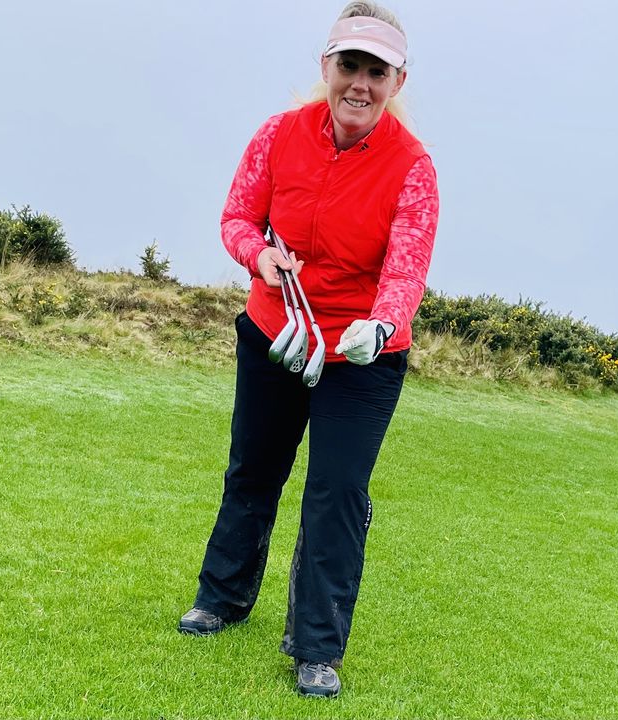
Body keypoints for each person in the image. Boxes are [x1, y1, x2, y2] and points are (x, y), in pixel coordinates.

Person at [179, 1, 438, 699]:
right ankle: (222, 598)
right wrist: (259, 256)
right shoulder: (278, 134)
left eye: (375, 71)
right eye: (348, 65)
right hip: (276, 329)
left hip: (362, 355)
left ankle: (316, 647)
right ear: (327, 67)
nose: (360, 82)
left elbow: (407, 269)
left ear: (397, 81)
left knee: (337, 492)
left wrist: (380, 326)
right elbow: (238, 216)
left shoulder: (413, 167)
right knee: (253, 470)